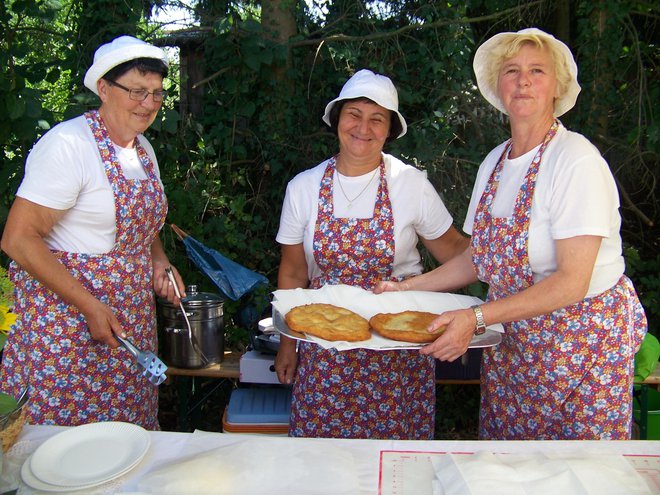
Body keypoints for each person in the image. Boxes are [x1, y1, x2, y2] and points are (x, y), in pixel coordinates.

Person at [374, 28, 648, 440]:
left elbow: (573, 282)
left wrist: (476, 317)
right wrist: (407, 288)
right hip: (515, 344)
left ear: (556, 87)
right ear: (498, 86)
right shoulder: (495, 163)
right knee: (510, 464)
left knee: (580, 472)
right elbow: (477, 257)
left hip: (581, 347)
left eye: (537, 71)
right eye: (512, 70)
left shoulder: (575, 161)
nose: (523, 80)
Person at [0, 35, 186, 429]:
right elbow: (18, 239)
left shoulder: (142, 150)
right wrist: (89, 305)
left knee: (124, 441)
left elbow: (142, 223)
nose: (148, 104)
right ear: (104, 88)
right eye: (137, 91)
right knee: (64, 450)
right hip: (67, 329)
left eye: (156, 93)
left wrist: (159, 260)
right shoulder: (69, 145)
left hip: (128, 323)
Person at [274, 69, 468, 439]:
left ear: (389, 130)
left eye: (376, 119)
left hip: (397, 352)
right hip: (326, 350)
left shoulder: (410, 185)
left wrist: (504, 264)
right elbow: (294, 274)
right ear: (337, 119)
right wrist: (289, 345)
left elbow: (458, 254)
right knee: (325, 461)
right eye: (354, 115)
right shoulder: (304, 187)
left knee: (395, 464)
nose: (363, 127)